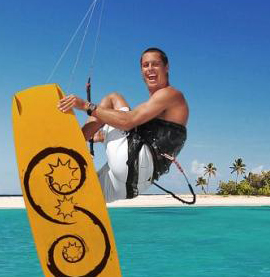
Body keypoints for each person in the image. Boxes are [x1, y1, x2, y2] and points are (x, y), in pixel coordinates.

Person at [57, 47, 189, 202]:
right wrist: (100, 136)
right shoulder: (153, 107)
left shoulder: (170, 94)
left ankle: (70, 145)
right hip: (135, 184)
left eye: (155, 64)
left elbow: (127, 122)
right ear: (141, 71)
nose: (150, 69)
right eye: (145, 65)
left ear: (166, 67)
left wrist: (86, 105)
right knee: (79, 199)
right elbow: (129, 126)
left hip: (135, 165)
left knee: (113, 99)